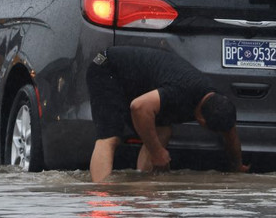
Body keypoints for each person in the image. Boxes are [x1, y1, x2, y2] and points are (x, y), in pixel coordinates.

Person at [87, 46, 247, 182]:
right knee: (110, 138)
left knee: (162, 131)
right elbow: (139, 107)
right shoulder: (182, 91)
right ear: (200, 119)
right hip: (107, 68)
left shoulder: (219, 103)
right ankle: (102, 199)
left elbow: (231, 136)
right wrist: (157, 153)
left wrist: (237, 166)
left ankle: (143, 186)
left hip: (138, 82)